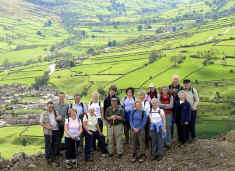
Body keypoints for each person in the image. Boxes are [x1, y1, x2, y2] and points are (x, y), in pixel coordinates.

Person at [40, 101, 60, 167]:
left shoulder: (56, 112)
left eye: (52, 107)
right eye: (49, 107)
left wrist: (59, 118)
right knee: (48, 145)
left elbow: (59, 119)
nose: (51, 108)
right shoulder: (43, 113)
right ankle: (48, 158)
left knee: (55, 145)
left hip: (56, 130)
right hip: (48, 132)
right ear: (47, 106)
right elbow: (41, 123)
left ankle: (53, 158)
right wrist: (47, 127)